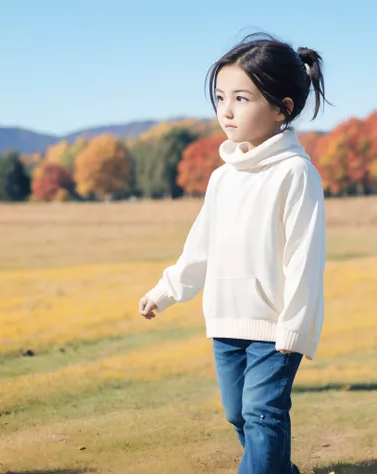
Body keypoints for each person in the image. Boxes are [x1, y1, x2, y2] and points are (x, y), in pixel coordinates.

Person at [138, 32, 329, 474]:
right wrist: (166, 291)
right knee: (239, 415)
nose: (226, 110)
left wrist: (295, 328)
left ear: (283, 107)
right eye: (221, 96)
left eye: (241, 97)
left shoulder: (296, 173)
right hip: (225, 320)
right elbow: (201, 245)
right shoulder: (223, 178)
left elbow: (305, 257)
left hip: (275, 326)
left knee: (263, 415)